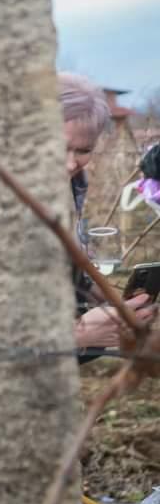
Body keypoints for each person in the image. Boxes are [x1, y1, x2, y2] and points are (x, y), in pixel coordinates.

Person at [60, 72, 155, 349]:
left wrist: (106, 300)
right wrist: (79, 335)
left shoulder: (71, 188)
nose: (70, 163)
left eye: (83, 150)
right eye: (61, 147)